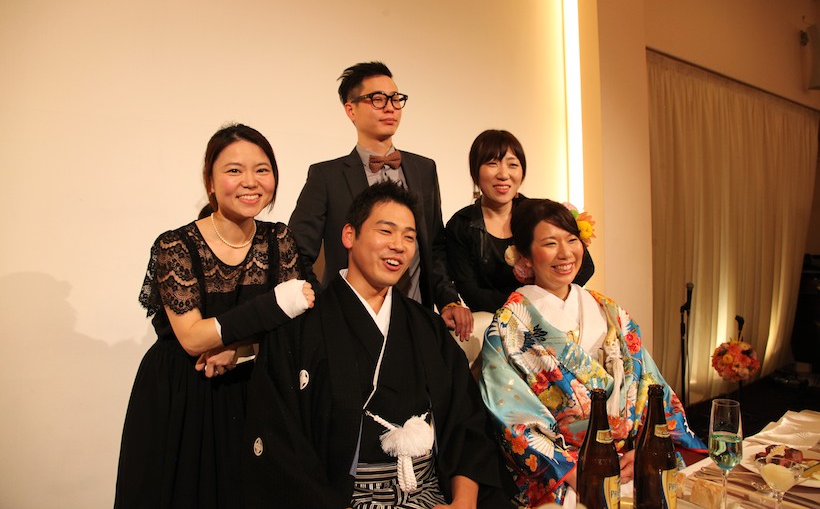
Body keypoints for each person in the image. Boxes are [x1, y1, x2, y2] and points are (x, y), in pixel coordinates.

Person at [243, 181, 512, 509]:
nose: (399, 246)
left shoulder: (427, 326)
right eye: (386, 231)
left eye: (409, 237)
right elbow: (280, 443)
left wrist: (463, 503)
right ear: (349, 236)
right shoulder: (299, 329)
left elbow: (466, 421)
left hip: (432, 495)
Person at [115, 124, 315, 508]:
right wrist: (275, 305)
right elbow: (193, 338)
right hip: (184, 394)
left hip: (256, 392)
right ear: (210, 181)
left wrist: (238, 348)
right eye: (234, 170)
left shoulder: (280, 241)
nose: (250, 181)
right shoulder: (175, 246)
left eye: (262, 169)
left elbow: (299, 329)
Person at [479, 199, 705, 508]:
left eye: (572, 240)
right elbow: (511, 416)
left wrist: (646, 450)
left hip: (631, 460)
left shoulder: (609, 310)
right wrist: (576, 472)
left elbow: (651, 384)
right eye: (550, 243)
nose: (565, 253)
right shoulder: (508, 326)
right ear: (525, 256)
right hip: (569, 474)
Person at [289, 61, 473, 340]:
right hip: (350, 323)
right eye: (377, 99)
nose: (390, 107)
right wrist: (326, 305)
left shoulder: (424, 169)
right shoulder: (326, 176)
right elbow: (295, 253)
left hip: (415, 319)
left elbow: (434, 247)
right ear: (351, 110)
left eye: (396, 99)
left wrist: (448, 300)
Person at [446, 130, 595, 314]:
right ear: (475, 172)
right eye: (492, 163)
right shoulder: (461, 225)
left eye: (513, 165)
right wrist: (524, 308)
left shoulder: (540, 214)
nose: (503, 174)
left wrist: (546, 303)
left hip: (551, 315)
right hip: (496, 321)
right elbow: (472, 294)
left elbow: (586, 267)